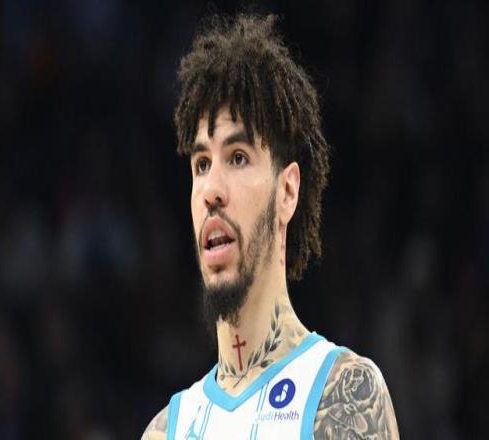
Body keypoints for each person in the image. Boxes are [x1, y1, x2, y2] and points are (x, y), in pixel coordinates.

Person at [142, 13, 399, 440]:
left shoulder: (343, 396)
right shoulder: (166, 429)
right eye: (201, 164)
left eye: (238, 158)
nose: (211, 190)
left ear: (287, 191)